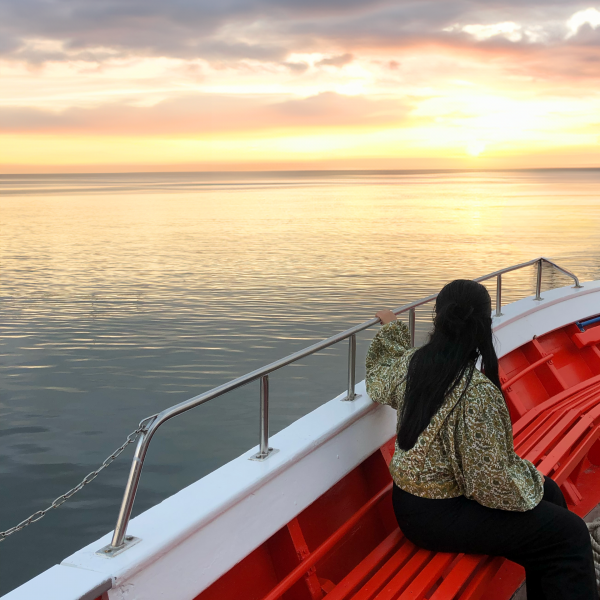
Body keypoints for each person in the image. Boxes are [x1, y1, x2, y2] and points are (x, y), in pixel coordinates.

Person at [366, 279, 597, 600]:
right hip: (440, 516)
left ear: (438, 320)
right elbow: (489, 484)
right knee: (570, 536)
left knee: (552, 494)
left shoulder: (413, 364)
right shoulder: (477, 392)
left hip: (409, 504)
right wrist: (529, 480)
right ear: (484, 326)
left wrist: (393, 328)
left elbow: (379, 375)